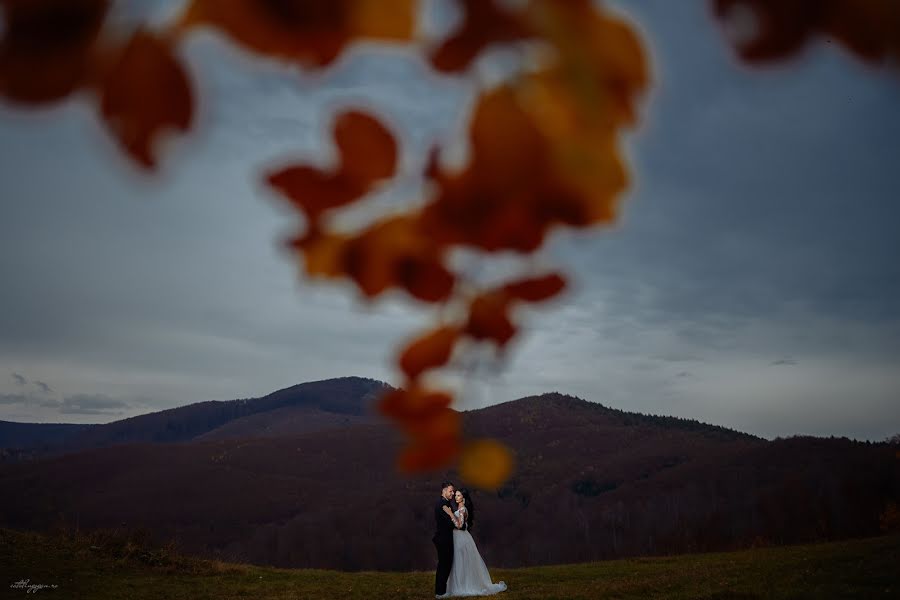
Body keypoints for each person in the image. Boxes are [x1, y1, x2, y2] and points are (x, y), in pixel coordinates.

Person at [442, 488, 507, 597]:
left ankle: (464, 586)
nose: (456, 497)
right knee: (458, 562)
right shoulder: (460, 507)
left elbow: (460, 525)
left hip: (461, 538)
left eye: (458, 495)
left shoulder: (462, 509)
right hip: (458, 537)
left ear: (463, 497)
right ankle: (458, 584)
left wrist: (450, 514)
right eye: (456, 495)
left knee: (461, 561)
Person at [433, 481, 457, 597]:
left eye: (453, 491)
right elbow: (449, 524)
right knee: (444, 565)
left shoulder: (446, 503)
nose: (452, 493)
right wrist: (454, 519)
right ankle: (440, 592)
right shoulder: (442, 504)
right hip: (443, 539)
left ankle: (441, 590)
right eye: (450, 491)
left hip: (445, 538)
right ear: (444, 490)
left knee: (445, 564)